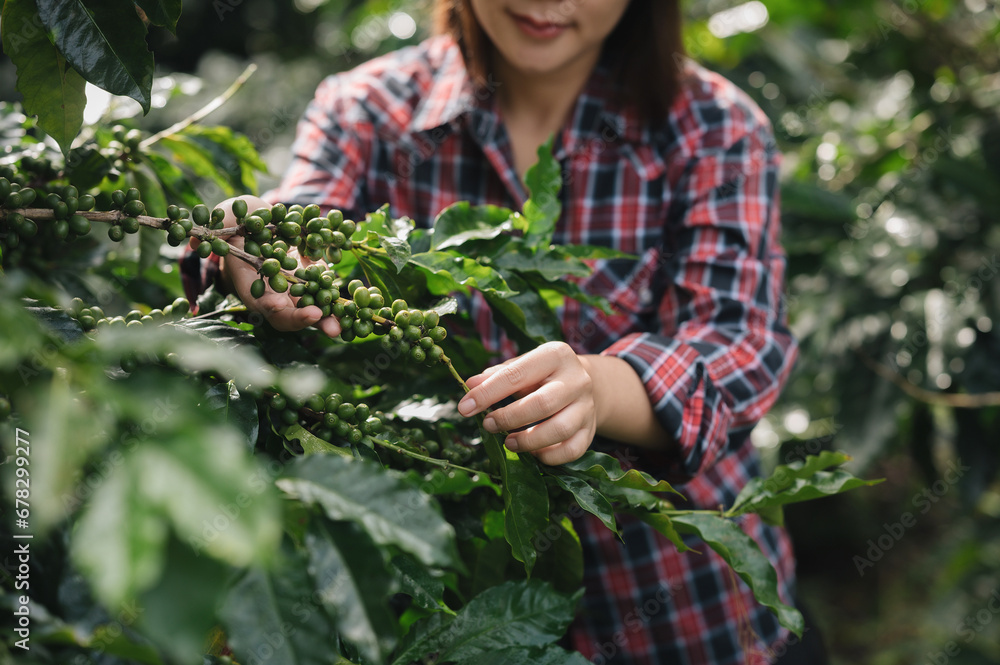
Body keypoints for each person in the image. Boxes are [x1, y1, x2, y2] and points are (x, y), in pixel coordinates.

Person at [187, 1, 822, 663]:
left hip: (688, 616)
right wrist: (257, 238)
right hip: (466, 616)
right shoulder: (368, 111)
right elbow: (308, 216)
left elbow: (738, 339)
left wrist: (599, 389)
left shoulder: (714, 127)